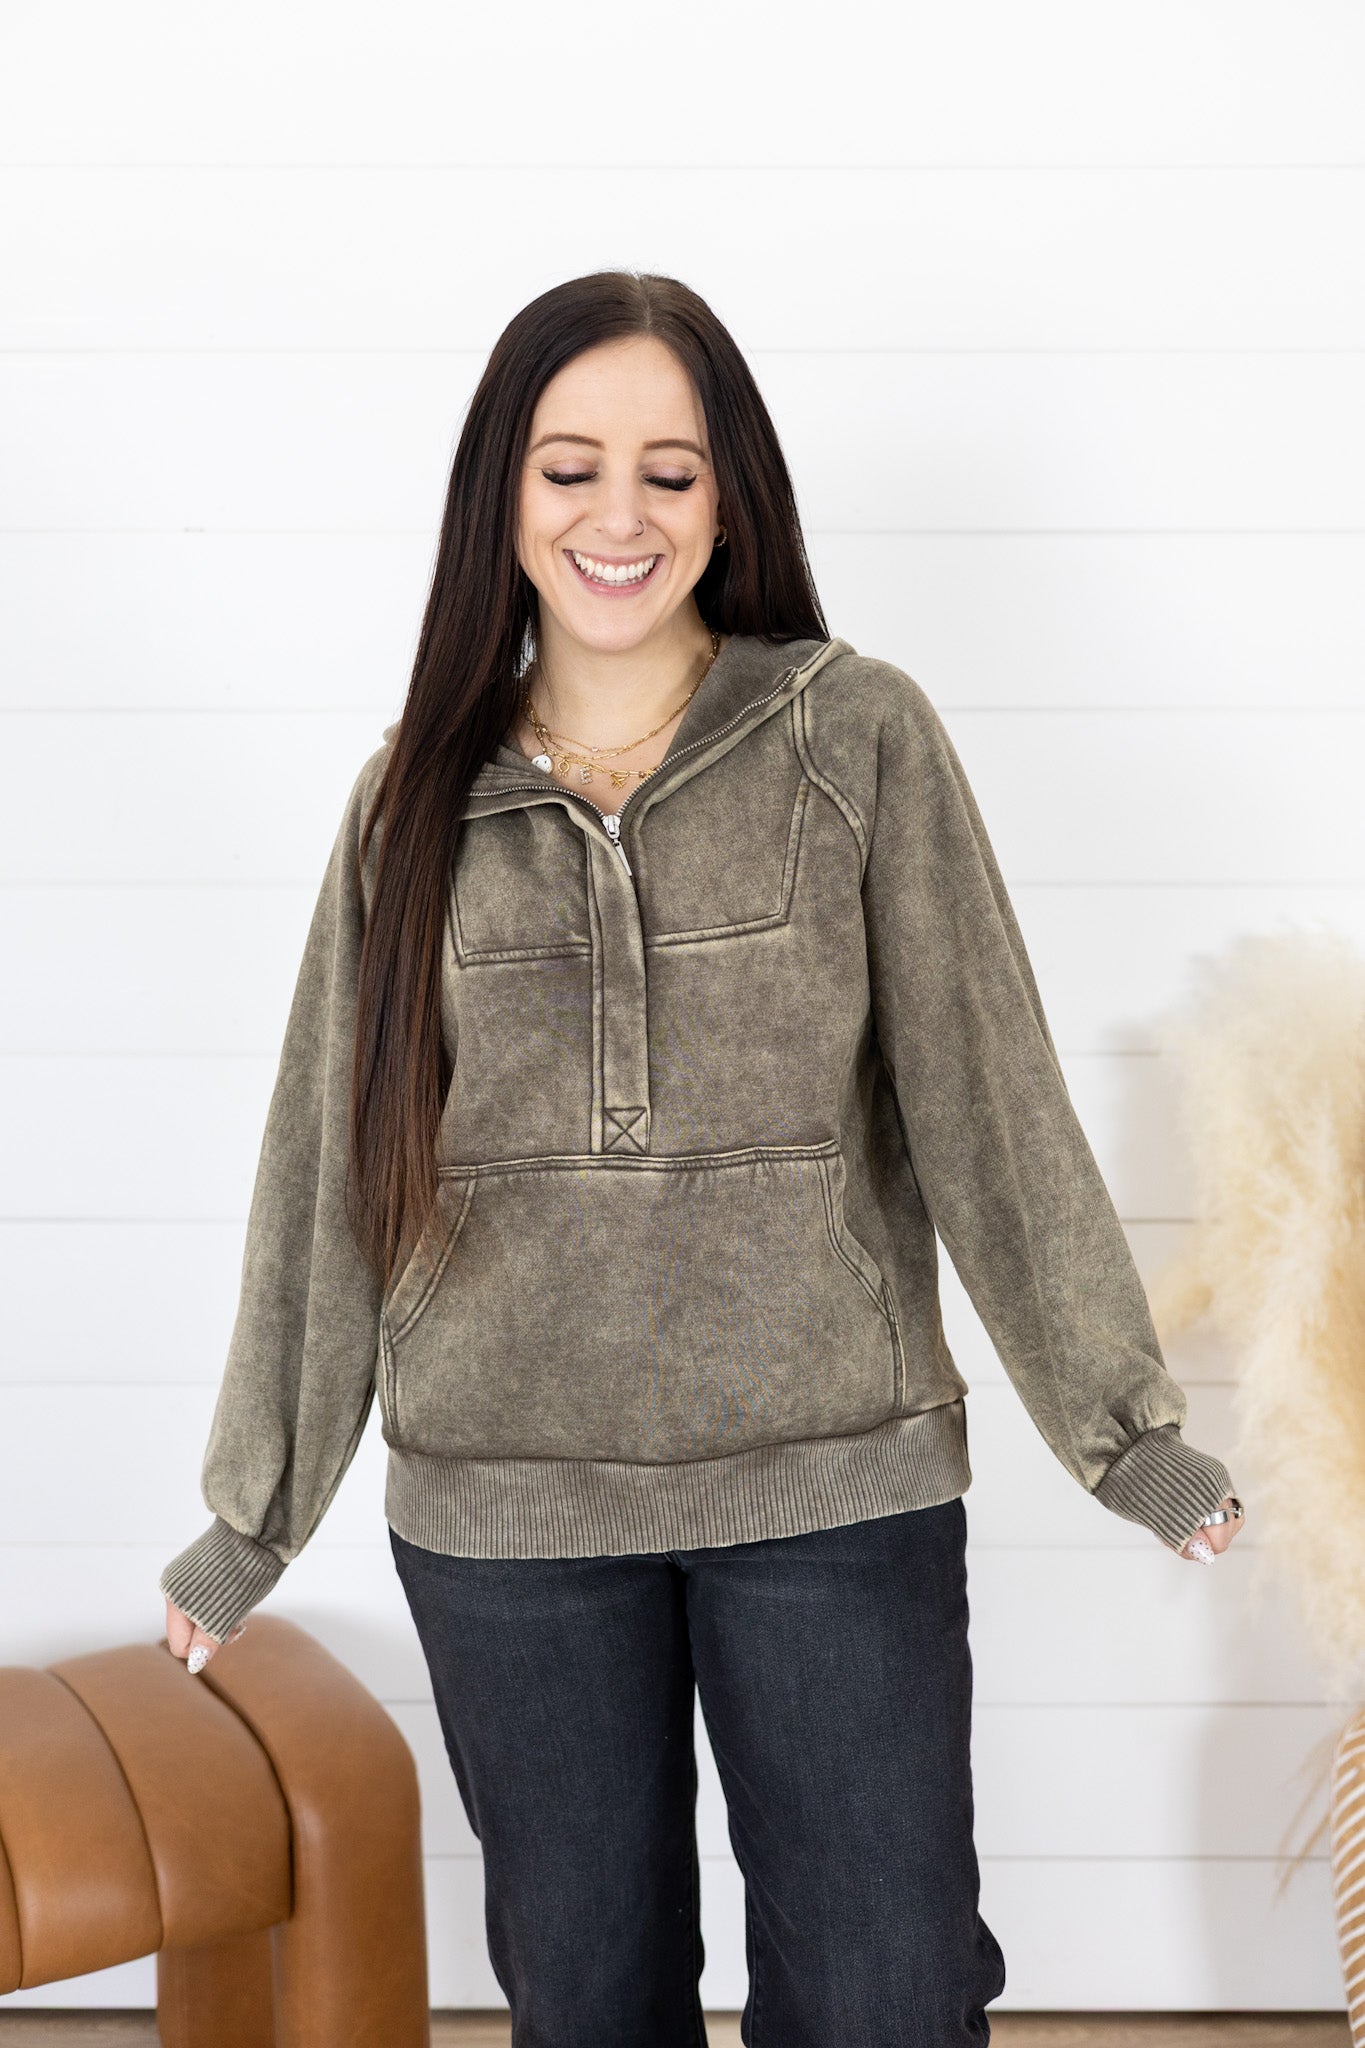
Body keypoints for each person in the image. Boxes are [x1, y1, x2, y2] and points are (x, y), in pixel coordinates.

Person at [160, 269, 1245, 2047]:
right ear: (501, 496)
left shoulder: (854, 735)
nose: (619, 515)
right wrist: (251, 1518)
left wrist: (1122, 1434)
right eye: (568, 467)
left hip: (833, 1484)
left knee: (888, 1996)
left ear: (728, 497)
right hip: (508, 1513)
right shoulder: (410, 799)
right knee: (588, 2004)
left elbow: (988, 1101)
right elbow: (329, 1169)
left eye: (668, 472)